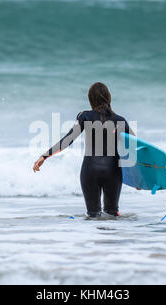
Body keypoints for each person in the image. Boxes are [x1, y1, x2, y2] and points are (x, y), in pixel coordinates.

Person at [33, 82, 135, 218]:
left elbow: (68, 140)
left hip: (90, 170)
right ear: (109, 98)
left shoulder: (85, 116)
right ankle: (111, 239)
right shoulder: (120, 120)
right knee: (113, 216)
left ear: (91, 99)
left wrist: (45, 156)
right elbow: (135, 147)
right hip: (113, 172)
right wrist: (139, 179)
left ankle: (94, 238)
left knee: (93, 216)